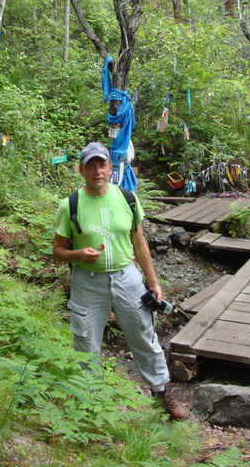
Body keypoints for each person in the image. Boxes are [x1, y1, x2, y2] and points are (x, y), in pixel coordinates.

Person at [52, 142, 189, 420]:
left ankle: (161, 393)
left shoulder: (127, 198)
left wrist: (153, 283)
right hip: (87, 282)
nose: (97, 171)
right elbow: (57, 250)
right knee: (86, 341)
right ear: (81, 170)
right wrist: (77, 254)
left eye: (101, 165)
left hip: (127, 278)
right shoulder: (70, 205)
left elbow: (140, 245)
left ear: (110, 168)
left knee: (144, 335)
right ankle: (91, 403)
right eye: (90, 166)